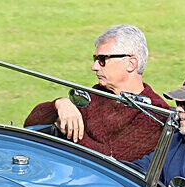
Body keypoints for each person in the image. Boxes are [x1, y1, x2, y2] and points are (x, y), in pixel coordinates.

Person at [24, 25, 167, 161]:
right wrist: (59, 105)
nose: (94, 67)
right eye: (95, 59)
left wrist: (70, 133)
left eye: (102, 60)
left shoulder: (155, 112)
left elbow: (111, 161)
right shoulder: (96, 94)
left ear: (131, 64)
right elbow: (31, 124)